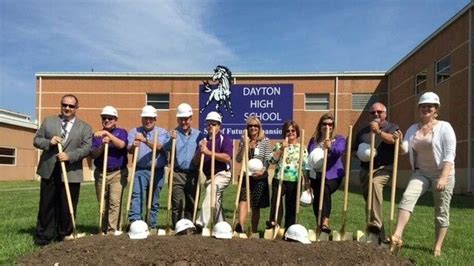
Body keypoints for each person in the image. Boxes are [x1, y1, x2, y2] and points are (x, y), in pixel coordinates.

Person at [391, 92, 456, 257]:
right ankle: (397, 236)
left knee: (441, 211)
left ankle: (437, 247)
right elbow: (405, 150)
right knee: (407, 197)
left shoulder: (445, 127)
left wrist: (443, 178)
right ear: (419, 108)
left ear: (436, 109)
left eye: (430, 106)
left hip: (443, 173)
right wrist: (398, 142)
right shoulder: (413, 129)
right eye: (423, 106)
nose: (426, 108)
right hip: (421, 173)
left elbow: (450, 155)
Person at [33, 94, 92, 245]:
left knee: (67, 204)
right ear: (61, 105)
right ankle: (44, 237)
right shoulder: (49, 121)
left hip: (71, 171)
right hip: (49, 169)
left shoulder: (84, 127)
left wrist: (70, 156)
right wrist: (49, 142)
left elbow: (86, 148)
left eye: (71, 106)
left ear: (76, 108)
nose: (67, 108)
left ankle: (64, 234)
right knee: (47, 204)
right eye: (64, 105)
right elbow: (37, 140)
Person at [353, 102, 399, 242]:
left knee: (375, 184)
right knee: (370, 203)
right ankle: (380, 236)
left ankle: (375, 225)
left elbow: (393, 140)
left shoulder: (392, 127)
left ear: (385, 113)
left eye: (379, 111)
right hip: (366, 169)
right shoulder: (362, 132)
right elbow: (354, 152)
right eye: (373, 112)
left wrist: (378, 132)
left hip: (383, 169)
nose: (376, 114)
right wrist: (362, 154)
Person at [127, 105, 170, 234]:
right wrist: (133, 146)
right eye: (145, 118)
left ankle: (151, 225)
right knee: (137, 196)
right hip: (140, 170)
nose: (148, 121)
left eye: (150, 118)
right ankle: (136, 223)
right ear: (142, 118)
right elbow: (128, 149)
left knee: (154, 199)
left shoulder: (162, 132)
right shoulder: (134, 131)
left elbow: (160, 147)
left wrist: (145, 140)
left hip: (158, 171)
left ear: (155, 119)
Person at [163, 103, 205, 228]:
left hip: (193, 173)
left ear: (191, 119)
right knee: (176, 203)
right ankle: (176, 226)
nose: (184, 122)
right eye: (181, 119)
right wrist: (171, 139)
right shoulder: (173, 134)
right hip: (177, 173)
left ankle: (189, 225)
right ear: (177, 119)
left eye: (186, 119)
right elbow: (164, 148)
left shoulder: (199, 135)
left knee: (192, 201)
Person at [90, 106, 128, 235]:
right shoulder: (96, 135)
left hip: (117, 172)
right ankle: (103, 229)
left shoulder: (121, 132)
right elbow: (94, 154)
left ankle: (114, 230)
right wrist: (102, 144)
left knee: (114, 202)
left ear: (115, 119)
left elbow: (122, 145)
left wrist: (109, 136)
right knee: (103, 203)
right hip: (101, 173)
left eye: (110, 118)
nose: (107, 120)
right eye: (104, 118)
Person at [305, 113, 346, 233]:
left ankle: (325, 221)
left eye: (330, 124)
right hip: (315, 174)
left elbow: (339, 152)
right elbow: (309, 158)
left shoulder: (339, 139)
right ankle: (319, 224)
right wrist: (307, 179)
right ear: (320, 125)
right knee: (317, 196)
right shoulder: (314, 141)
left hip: (332, 175)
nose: (327, 126)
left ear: (333, 126)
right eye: (324, 123)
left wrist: (330, 148)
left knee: (325, 189)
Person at [266, 120, 308, 232]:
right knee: (276, 202)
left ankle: (289, 228)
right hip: (279, 178)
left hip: (294, 180)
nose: (290, 133)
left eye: (292, 130)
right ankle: (274, 224)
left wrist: (307, 183)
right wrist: (281, 150)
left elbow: (305, 166)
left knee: (291, 205)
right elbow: (271, 160)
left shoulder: (301, 147)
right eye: (287, 131)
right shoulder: (279, 145)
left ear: (296, 132)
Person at [195, 111, 233, 231]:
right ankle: (222, 226)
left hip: (223, 174)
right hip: (209, 176)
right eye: (209, 124)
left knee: (211, 190)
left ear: (219, 125)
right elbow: (195, 162)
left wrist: (208, 152)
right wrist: (200, 151)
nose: (211, 126)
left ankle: (201, 223)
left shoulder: (224, 139)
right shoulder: (203, 141)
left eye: (214, 124)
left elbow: (227, 157)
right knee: (215, 200)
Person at [234, 116, 272, 235]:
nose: (253, 128)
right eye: (250, 126)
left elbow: (268, 159)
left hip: (259, 177)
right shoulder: (243, 140)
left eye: (256, 126)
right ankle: (241, 226)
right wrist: (245, 145)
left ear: (259, 127)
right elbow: (238, 159)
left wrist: (263, 171)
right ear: (247, 128)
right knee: (243, 200)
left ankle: (254, 230)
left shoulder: (265, 141)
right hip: (246, 176)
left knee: (256, 204)